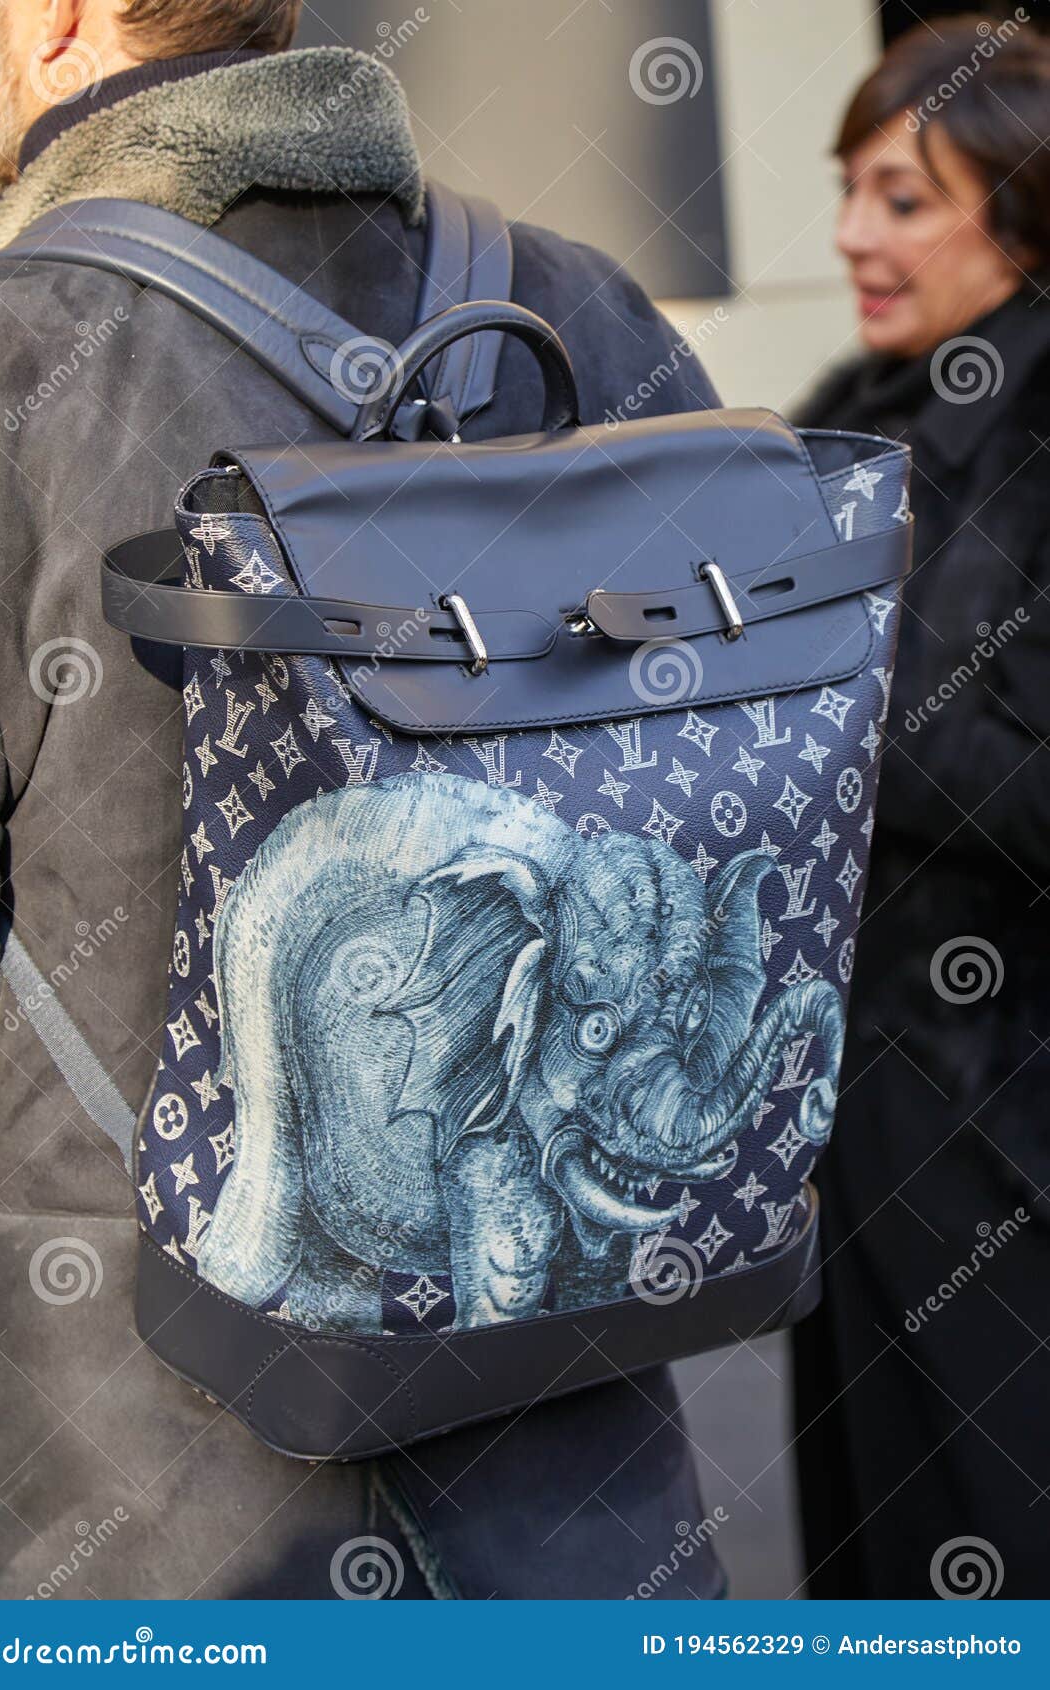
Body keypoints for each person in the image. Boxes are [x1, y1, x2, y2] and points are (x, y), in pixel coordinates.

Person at [0, 0, 727, 1601]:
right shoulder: (583, 309)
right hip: (581, 1492)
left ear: (53, 18)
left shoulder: (11, 358)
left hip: (136, 1523)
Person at [790, 16, 1050, 1599]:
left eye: (900, 197)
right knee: (871, 1550)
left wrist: (821, 717)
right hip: (858, 1119)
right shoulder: (855, 408)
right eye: (848, 191)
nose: (848, 237)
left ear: (1017, 207)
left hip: (1011, 1131)